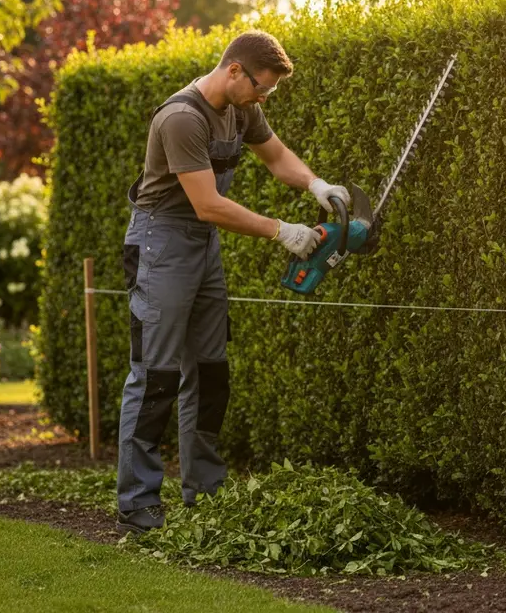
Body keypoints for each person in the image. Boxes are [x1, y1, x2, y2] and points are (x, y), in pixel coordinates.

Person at [115, 30, 348, 534]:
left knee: (211, 369)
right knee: (155, 374)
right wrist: (281, 230)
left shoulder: (243, 108)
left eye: (270, 93)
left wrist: (316, 185)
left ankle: (205, 490)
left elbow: (277, 156)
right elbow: (208, 204)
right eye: (261, 87)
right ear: (234, 71)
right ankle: (137, 502)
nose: (264, 98)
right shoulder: (181, 118)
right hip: (162, 243)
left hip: (201, 246)